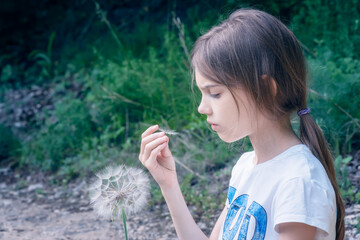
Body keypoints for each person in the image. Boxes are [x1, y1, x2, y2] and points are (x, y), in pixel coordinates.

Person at [138, 9, 345, 240]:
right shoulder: (245, 167)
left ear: (265, 90)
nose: (201, 108)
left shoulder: (298, 182)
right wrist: (168, 184)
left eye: (214, 93)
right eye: (202, 94)